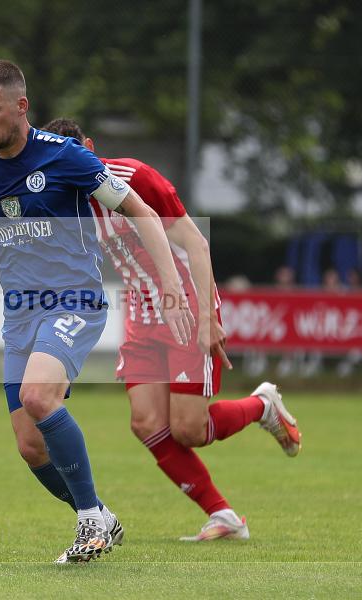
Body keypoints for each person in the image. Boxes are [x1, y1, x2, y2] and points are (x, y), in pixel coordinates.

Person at [0, 60, 195, 563]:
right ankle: (97, 513)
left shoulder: (66, 158)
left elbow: (139, 209)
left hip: (75, 300)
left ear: (21, 106)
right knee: (29, 446)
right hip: (21, 315)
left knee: (37, 396)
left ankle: (91, 523)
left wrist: (169, 283)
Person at [43, 118, 301, 542]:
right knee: (146, 423)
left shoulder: (132, 177)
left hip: (185, 304)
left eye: (73, 156)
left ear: (88, 147)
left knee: (189, 430)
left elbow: (196, 243)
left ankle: (262, 406)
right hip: (141, 314)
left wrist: (208, 317)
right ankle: (225, 517)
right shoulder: (65, 201)